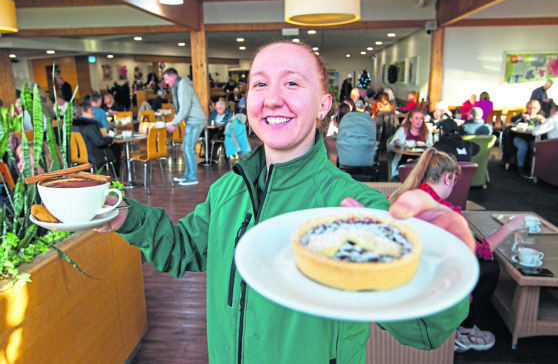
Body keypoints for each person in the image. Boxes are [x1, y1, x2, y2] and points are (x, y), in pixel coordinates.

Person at [97, 41, 473, 363]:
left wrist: (442, 266)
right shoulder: (227, 190)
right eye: (260, 84)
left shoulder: (351, 208)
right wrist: (126, 215)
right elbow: (182, 249)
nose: (273, 98)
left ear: (324, 105)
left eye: (292, 83)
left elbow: (426, 329)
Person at [390, 148, 526, 353]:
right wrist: (511, 227)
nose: (454, 185)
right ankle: (464, 331)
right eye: (454, 181)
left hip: (412, 269)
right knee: (490, 268)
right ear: (447, 178)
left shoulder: (415, 194)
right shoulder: (439, 210)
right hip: (430, 279)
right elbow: (482, 250)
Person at [163, 67, 207, 186]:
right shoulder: (178, 86)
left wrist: (174, 123)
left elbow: (185, 108)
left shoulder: (183, 85)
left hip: (196, 120)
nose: (166, 82)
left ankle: (192, 177)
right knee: (186, 147)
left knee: (188, 147)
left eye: (166, 79)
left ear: (173, 76)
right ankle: (187, 174)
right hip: (192, 120)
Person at [71, 101, 121, 176]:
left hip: (77, 156)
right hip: (93, 156)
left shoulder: (72, 126)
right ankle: (116, 176)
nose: (93, 111)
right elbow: (99, 142)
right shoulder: (89, 125)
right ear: (84, 112)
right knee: (116, 147)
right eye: (91, 110)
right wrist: (109, 138)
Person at [388, 108, 433, 179]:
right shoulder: (402, 130)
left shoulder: (427, 132)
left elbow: (431, 147)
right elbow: (390, 147)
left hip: (421, 159)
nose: (419, 121)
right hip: (404, 158)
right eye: (416, 118)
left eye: (421, 118)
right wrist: (397, 143)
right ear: (410, 119)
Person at [511, 100, 546, 177]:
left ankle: (533, 168)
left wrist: (543, 121)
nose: (531, 110)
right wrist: (521, 116)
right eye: (529, 108)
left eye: (534, 108)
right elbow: (512, 120)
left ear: (538, 109)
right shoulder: (523, 116)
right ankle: (520, 168)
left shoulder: (539, 118)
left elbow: (546, 126)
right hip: (520, 137)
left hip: (532, 138)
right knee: (523, 146)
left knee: (534, 147)